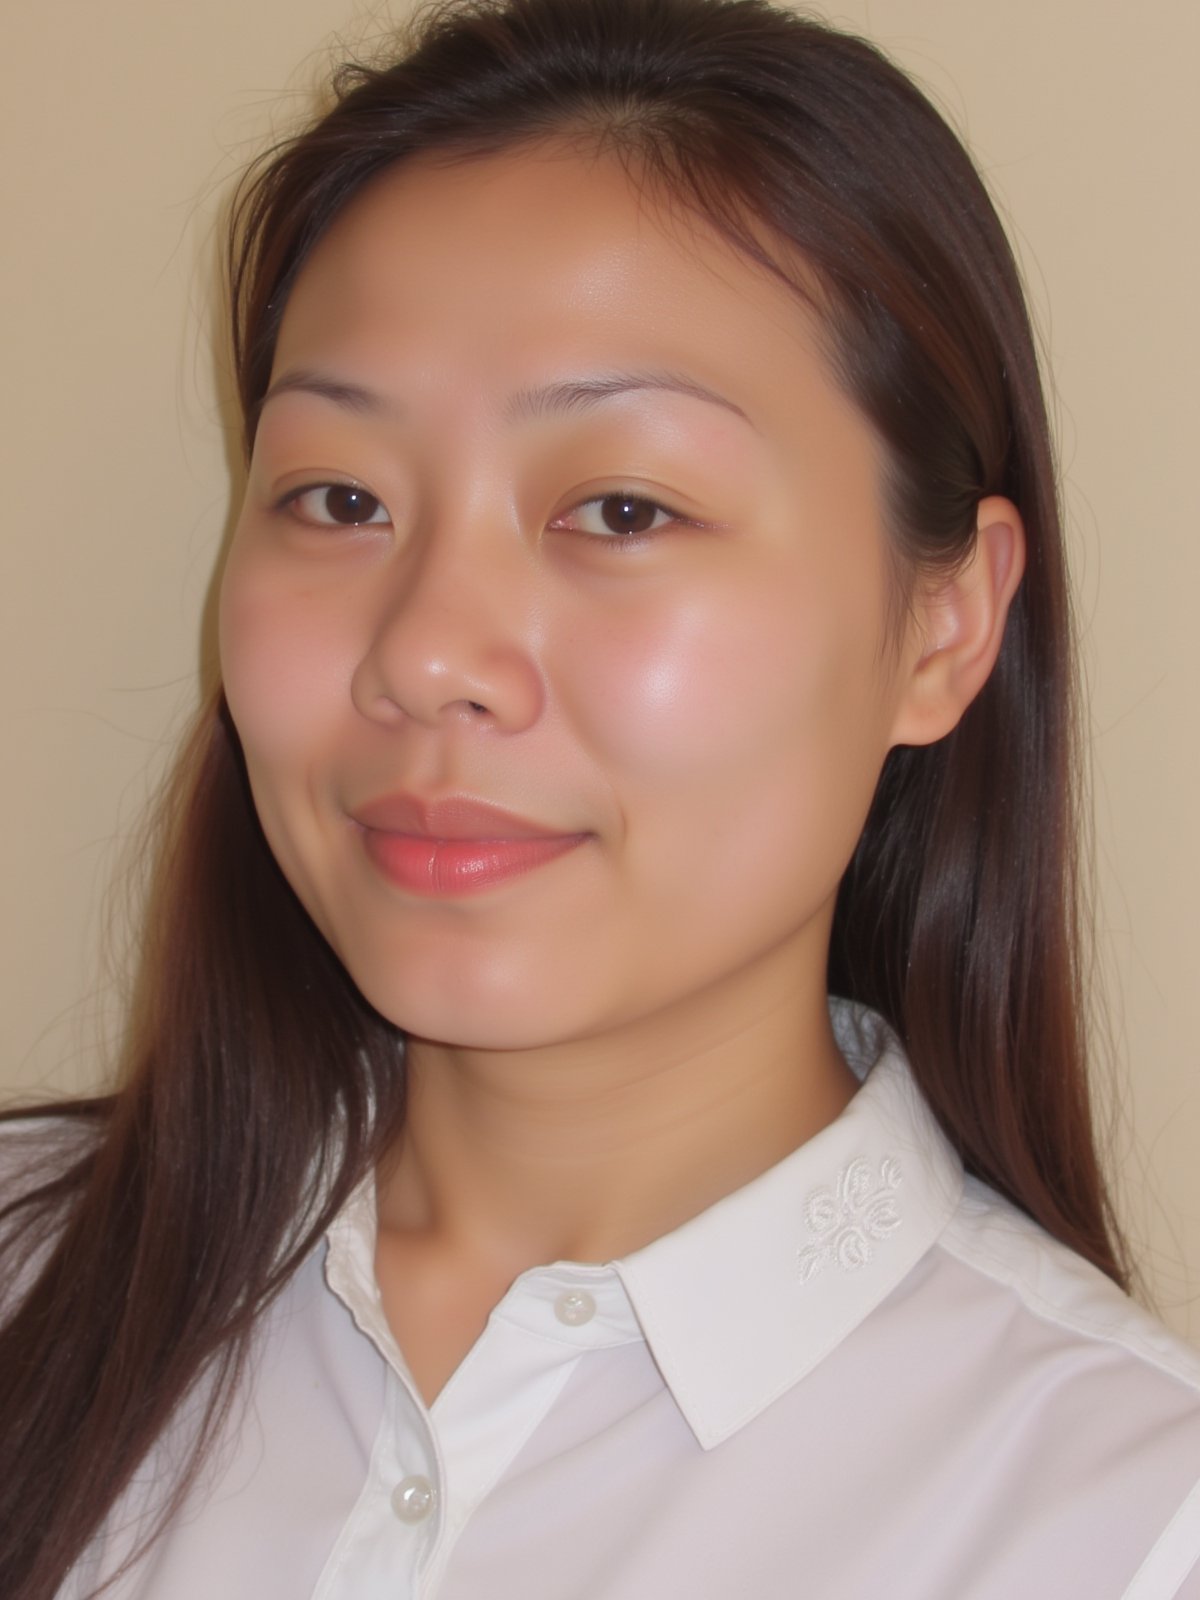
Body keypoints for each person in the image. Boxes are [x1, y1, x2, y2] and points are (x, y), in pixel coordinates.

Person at [1, 0, 1197, 1594]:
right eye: (340, 497)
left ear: (946, 623)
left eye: (621, 508)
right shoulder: (33, 1272)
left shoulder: (1118, 1522)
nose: (428, 655)